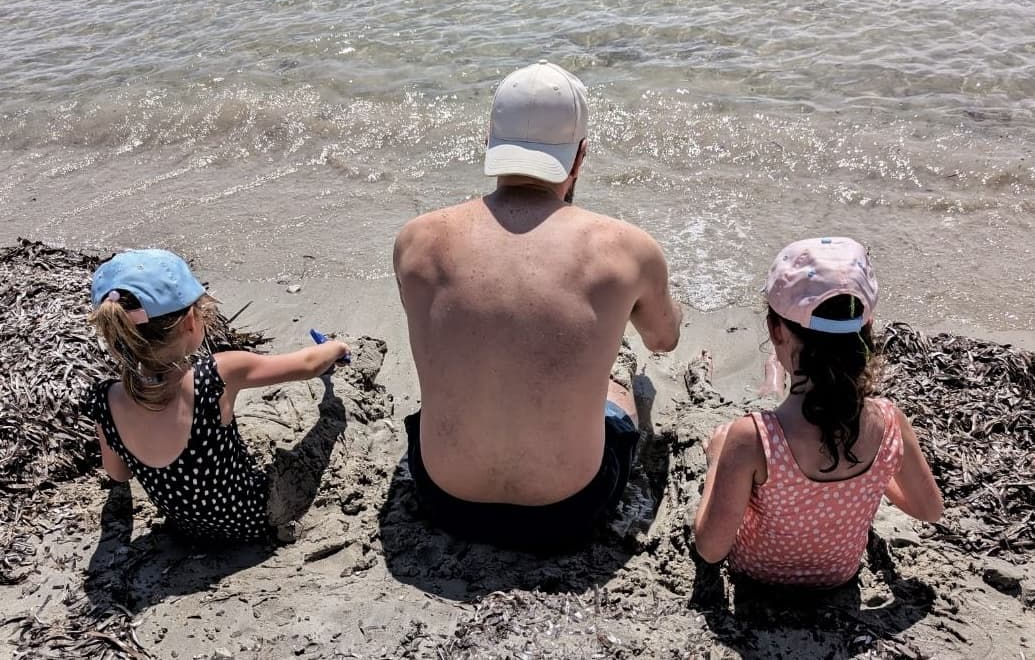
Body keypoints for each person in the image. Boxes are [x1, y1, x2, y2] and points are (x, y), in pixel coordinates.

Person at [393, 60, 682, 552]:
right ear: (580, 156)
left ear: (490, 145)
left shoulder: (418, 239)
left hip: (444, 498)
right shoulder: (626, 248)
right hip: (570, 508)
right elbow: (663, 340)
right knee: (619, 388)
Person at [693, 237, 943, 587]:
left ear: (775, 329)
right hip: (839, 576)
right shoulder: (888, 422)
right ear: (867, 329)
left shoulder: (751, 438)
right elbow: (930, 510)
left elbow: (710, 549)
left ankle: (773, 378)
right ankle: (774, 378)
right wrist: (873, 475)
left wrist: (717, 460)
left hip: (756, 576)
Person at [83, 249, 350, 542]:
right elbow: (308, 365)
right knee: (321, 441)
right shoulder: (218, 374)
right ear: (189, 322)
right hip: (251, 520)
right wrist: (335, 348)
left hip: (186, 528)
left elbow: (118, 474)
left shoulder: (107, 399)